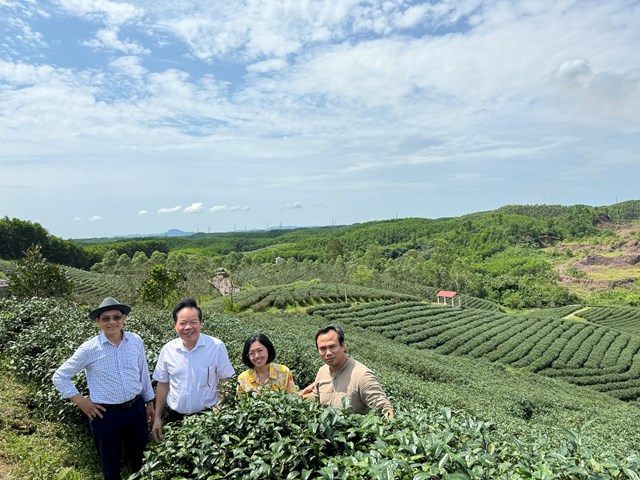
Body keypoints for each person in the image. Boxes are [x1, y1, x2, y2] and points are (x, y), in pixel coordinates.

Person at [52, 297, 155, 480]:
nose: (112, 322)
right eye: (105, 318)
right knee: (110, 464)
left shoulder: (135, 341)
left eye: (116, 317)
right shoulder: (89, 349)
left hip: (135, 409)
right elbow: (60, 376)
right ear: (98, 322)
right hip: (105, 415)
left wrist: (149, 401)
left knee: (142, 460)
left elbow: (143, 371)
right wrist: (81, 401)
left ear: (124, 318)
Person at [152, 298, 235, 441]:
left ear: (201, 323)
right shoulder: (168, 350)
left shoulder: (216, 347)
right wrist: (158, 417)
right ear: (175, 326)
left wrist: (219, 409)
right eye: (182, 323)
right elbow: (163, 384)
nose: (188, 327)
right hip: (176, 418)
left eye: (193, 322)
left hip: (207, 417)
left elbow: (225, 379)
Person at [303, 325, 393, 418]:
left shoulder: (362, 376)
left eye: (332, 346)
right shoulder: (322, 371)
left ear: (343, 345)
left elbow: (385, 408)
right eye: (322, 349)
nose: (328, 353)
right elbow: (315, 398)